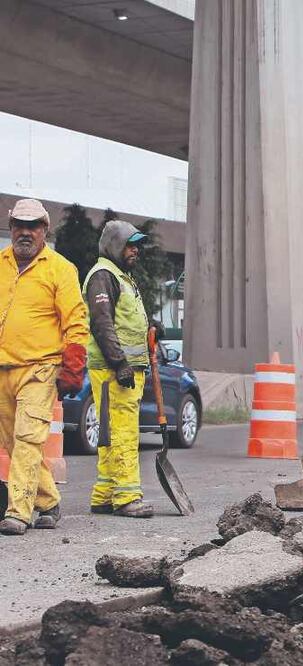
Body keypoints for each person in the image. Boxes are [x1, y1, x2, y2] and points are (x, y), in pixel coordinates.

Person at [0, 199, 88, 535]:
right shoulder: (1, 264)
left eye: (33, 225)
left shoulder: (61, 269)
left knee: (27, 438)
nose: (25, 232)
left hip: (40, 368)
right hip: (3, 368)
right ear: (10, 229)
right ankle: (48, 500)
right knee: (12, 442)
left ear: (44, 229)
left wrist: (73, 366)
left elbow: (76, 322)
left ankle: (18, 512)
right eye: (19, 225)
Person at [84, 219, 158, 518]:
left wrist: (151, 327)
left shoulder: (121, 276)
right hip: (115, 370)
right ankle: (127, 496)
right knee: (123, 432)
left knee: (109, 433)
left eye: (137, 245)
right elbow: (101, 323)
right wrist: (120, 363)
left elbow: (124, 320)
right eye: (130, 244)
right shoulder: (104, 275)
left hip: (122, 368)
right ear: (113, 245)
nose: (135, 251)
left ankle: (104, 494)